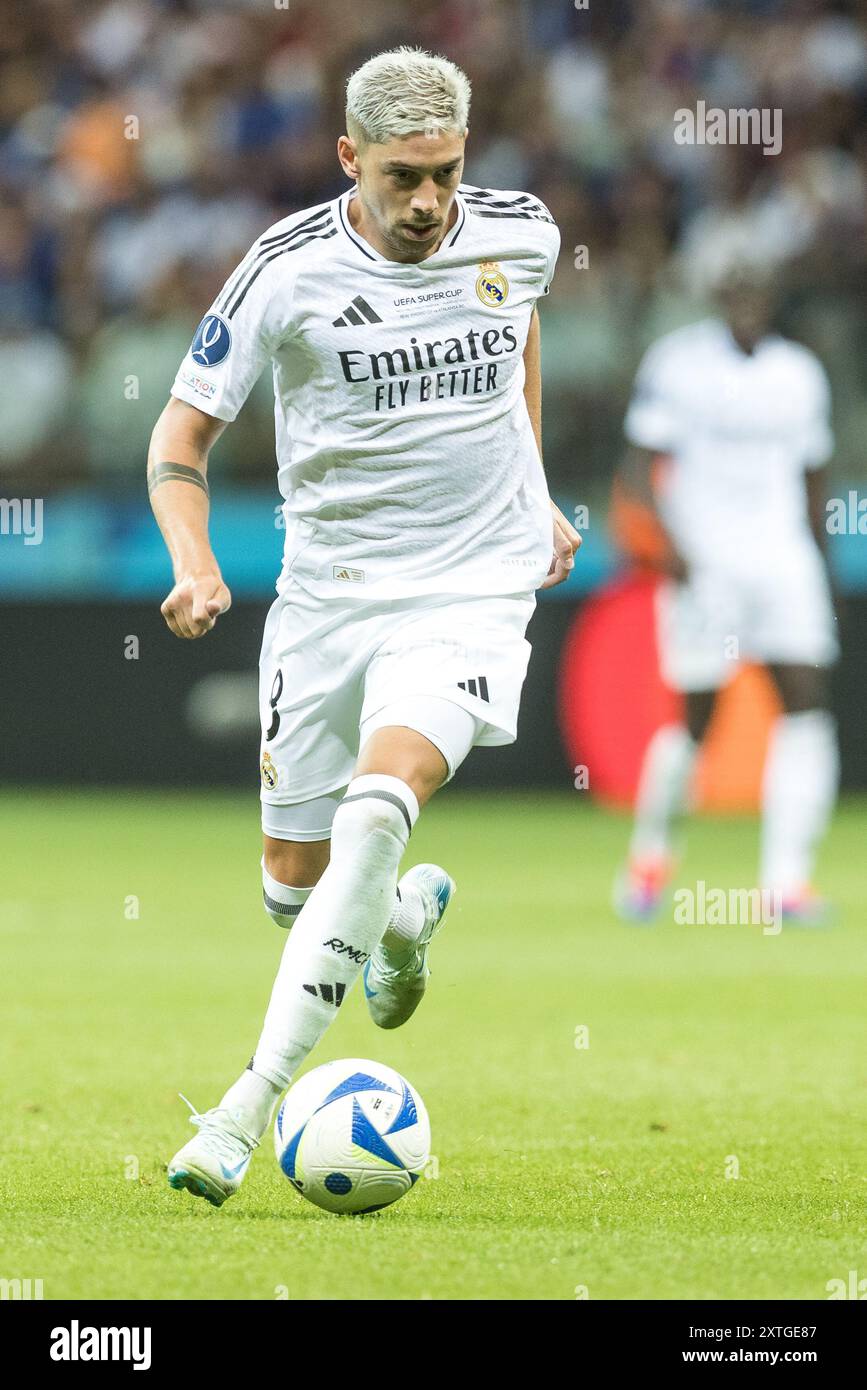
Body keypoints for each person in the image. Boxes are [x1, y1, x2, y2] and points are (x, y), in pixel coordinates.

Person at [148, 47, 581, 1206]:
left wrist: (532, 488)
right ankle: (394, 922)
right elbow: (178, 442)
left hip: (472, 590)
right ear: (350, 157)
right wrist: (193, 564)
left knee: (382, 800)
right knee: (293, 882)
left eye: (446, 172)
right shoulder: (282, 271)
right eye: (403, 177)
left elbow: (519, 327)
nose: (430, 202)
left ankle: (246, 1105)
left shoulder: (519, 232)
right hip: (330, 599)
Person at [615, 262, 839, 924]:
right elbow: (635, 463)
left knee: (804, 704)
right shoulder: (678, 364)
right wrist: (665, 545)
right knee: (698, 717)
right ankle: (650, 856)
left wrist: (819, 569)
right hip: (705, 561)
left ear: (771, 296)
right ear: (719, 294)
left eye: (756, 287)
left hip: (782, 562)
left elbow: (812, 478)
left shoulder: (798, 372)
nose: (746, 299)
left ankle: (786, 882)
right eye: (734, 287)